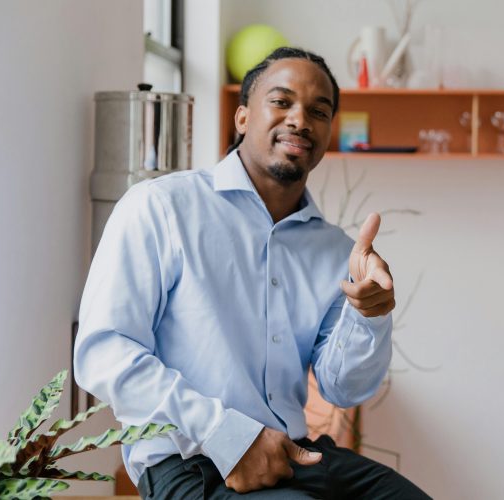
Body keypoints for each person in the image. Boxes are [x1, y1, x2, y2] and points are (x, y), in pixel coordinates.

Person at [74, 47, 430, 499]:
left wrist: (369, 315)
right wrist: (227, 434)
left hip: (295, 452)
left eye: (319, 111)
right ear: (242, 117)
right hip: (191, 460)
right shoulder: (160, 207)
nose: (301, 120)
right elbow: (104, 352)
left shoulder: (338, 251)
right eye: (281, 102)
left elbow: (344, 389)